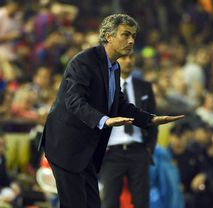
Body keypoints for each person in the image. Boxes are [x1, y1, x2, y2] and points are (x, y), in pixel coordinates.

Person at [38, 13, 184, 208]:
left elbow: (120, 105)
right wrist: (103, 120)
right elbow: (73, 101)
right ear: (108, 36)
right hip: (65, 145)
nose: (131, 40)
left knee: (92, 204)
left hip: (85, 150)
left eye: (133, 35)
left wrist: (150, 120)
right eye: (125, 34)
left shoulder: (114, 67)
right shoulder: (84, 61)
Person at [99, 52, 158, 208]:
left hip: (138, 150)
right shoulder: (104, 86)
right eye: (124, 57)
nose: (128, 61)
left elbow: (152, 120)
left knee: (141, 202)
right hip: (111, 152)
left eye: (131, 57)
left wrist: (149, 149)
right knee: (109, 202)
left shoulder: (145, 87)